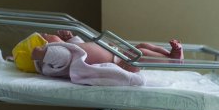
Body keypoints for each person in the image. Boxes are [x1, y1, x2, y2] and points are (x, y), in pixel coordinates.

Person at [12, 30, 183, 75]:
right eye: (46, 37)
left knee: (142, 46)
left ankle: (169, 56)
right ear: (45, 47)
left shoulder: (69, 48)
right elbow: (63, 56)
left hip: (117, 53)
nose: (50, 35)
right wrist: (41, 55)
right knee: (141, 54)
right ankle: (172, 60)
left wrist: (71, 38)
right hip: (120, 63)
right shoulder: (57, 57)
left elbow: (79, 47)